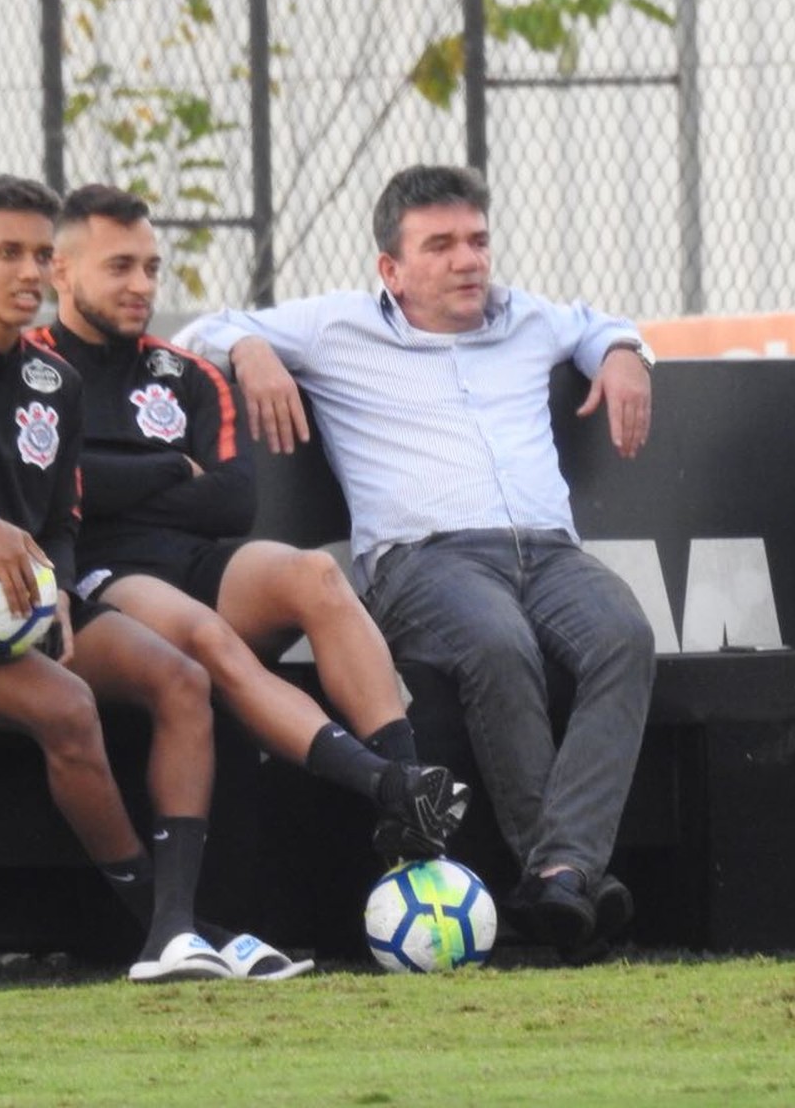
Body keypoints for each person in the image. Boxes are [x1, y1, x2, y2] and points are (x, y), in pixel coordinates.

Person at [176, 163, 657, 961]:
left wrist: (625, 352)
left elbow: (598, 324)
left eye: (477, 240)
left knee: (624, 636)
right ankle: (564, 875)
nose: (468, 260)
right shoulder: (335, 326)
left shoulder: (526, 318)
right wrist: (253, 347)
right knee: (500, 647)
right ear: (390, 270)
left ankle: (560, 873)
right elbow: (197, 335)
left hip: (549, 552)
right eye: (440, 246)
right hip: (423, 561)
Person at [0, 175, 309, 983]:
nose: (28, 271)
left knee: (183, 680)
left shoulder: (57, 383)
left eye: (40, 254)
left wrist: (54, 579)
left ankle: (176, 929)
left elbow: (59, 516)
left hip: (29, 593)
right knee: (69, 705)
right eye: (8, 253)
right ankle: (160, 924)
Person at [27, 183, 468, 864]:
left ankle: (411, 794)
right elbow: (52, 488)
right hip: (100, 575)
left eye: (151, 268)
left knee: (316, 575)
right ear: (61, 270)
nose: (141, 285)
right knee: (204, 633)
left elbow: (233, 502)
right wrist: (173, 468)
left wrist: (105, 474)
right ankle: (386, 787)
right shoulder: (29, 371)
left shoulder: (190, 374)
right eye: (119, 267)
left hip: (202, 561)